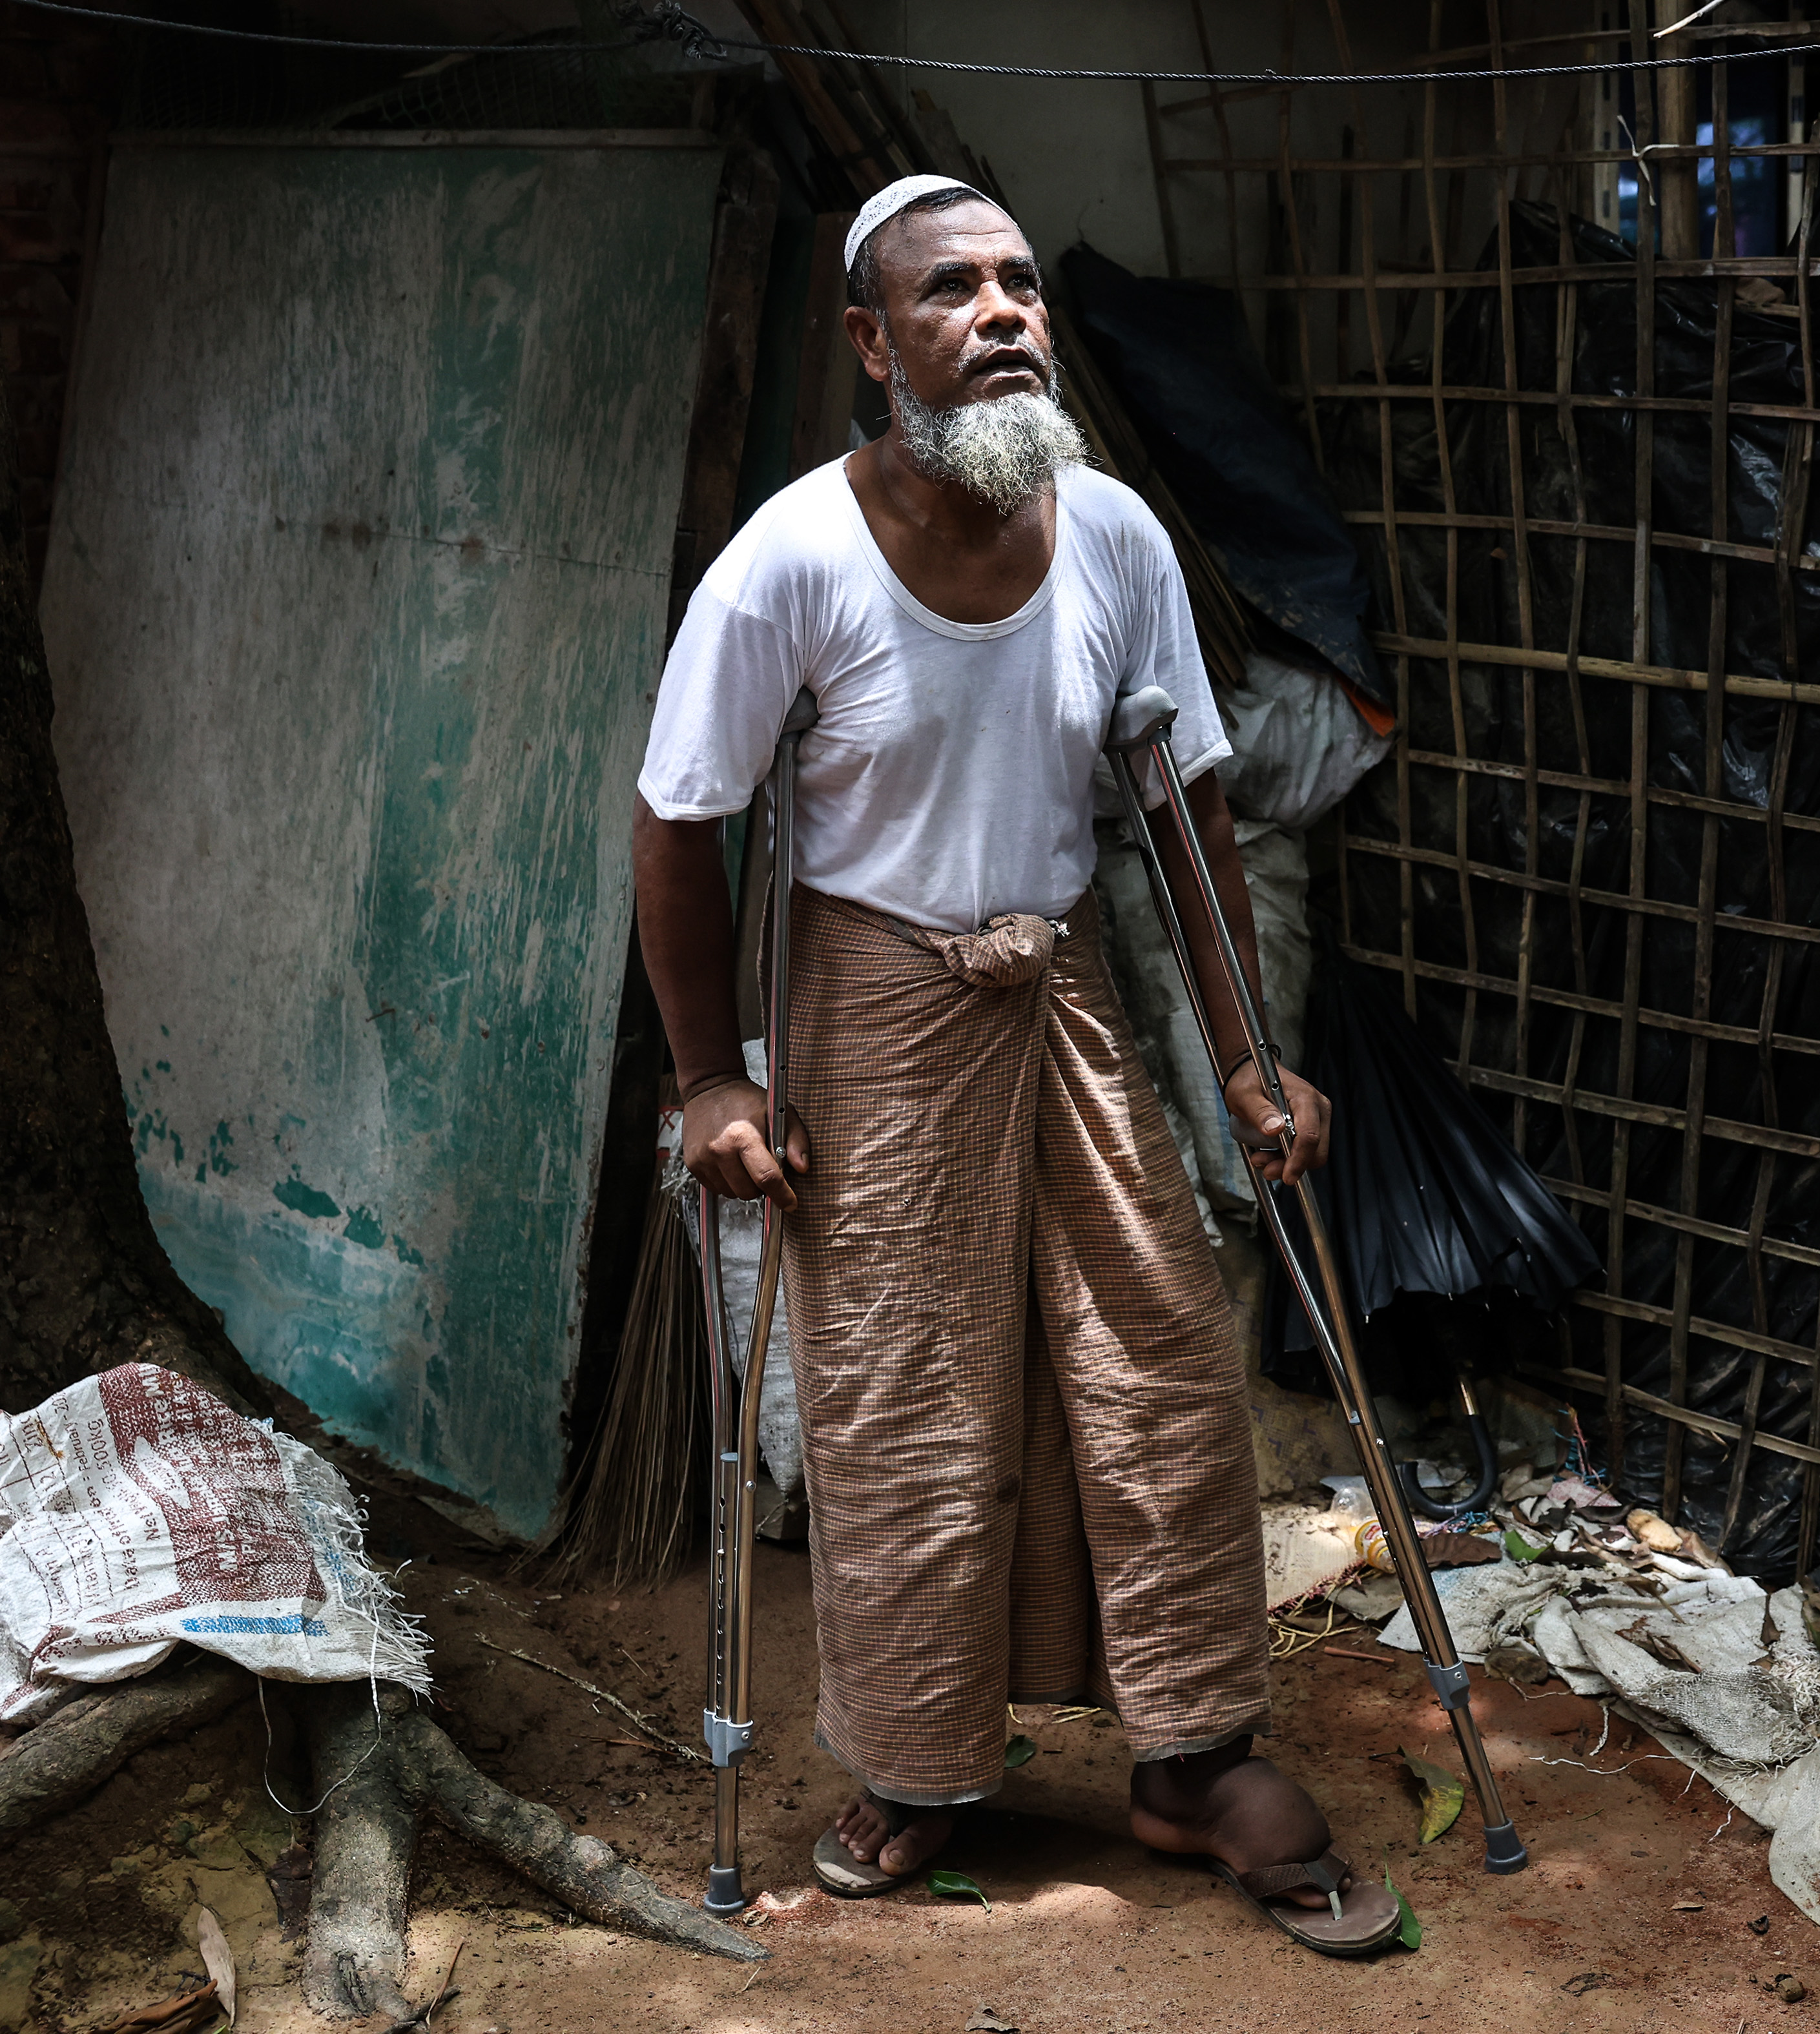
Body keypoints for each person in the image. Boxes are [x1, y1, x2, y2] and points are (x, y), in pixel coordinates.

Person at [630, 174, 1396, 1953]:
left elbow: (1188, 810)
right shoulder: (791, 559)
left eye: (1021, 285)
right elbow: (681, 820)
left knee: (1159, 1362)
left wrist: (1249, 1059)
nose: (1001, 314)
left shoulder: (1117, 536)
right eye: (951, 291)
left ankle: (1192, 1756)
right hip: (874, 1002)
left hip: (1059, 985)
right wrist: (710, 1082)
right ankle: (919, 1767)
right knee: (907, 1394)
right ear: (870, 339)